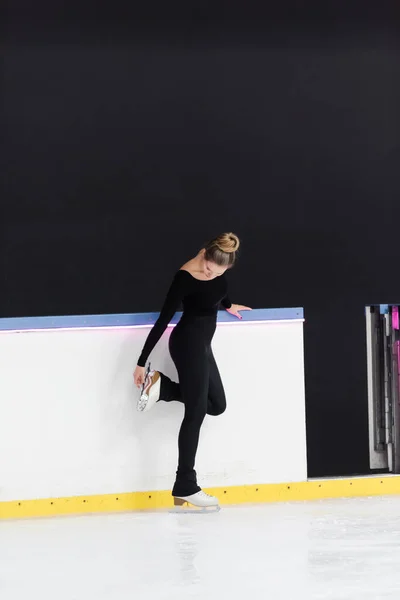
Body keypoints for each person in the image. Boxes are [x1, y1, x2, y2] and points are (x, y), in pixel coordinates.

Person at [133, 232, 251, 508]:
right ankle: (186, 484)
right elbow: (164, 320)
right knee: (196, 411)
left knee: (216, 405)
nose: (212, 274)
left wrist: (229, 305)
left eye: (219, 272)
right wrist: (141, 360)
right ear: (204, 254)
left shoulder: (218, 272)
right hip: (187, 343)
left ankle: (164, 387)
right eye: (210, 268)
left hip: (203, 345)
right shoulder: (184, 277)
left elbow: (218, 292)